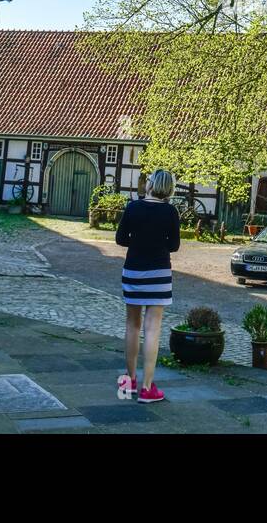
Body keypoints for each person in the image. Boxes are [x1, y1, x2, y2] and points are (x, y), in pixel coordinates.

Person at [115, 168, 180, 403]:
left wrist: (139, 240)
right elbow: (174, 245)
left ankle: (129, 380)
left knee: (132, 325)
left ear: (151, 184)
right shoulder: (170, 212)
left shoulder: (132, 208)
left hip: (133, 271)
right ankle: (147, 387)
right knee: (152, 329)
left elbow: (120, 239)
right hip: (159, 274)